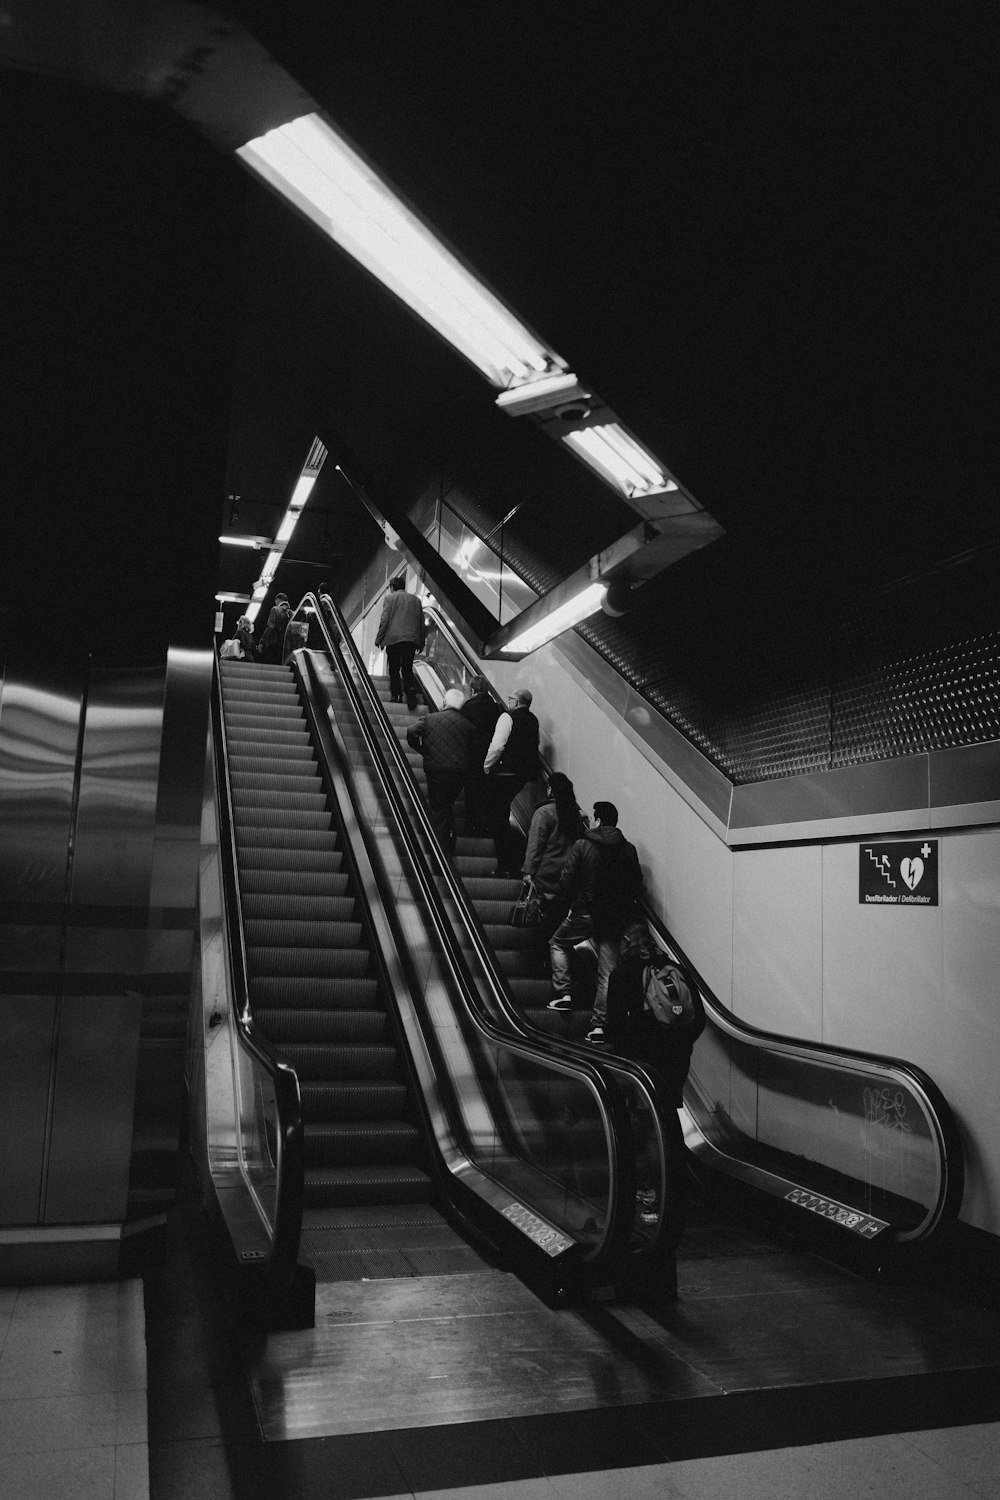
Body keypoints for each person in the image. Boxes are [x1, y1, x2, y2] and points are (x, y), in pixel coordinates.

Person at [605, 919, 706, 1235]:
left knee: (647, 1129)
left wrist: (631, 1054)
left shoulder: (623, 975)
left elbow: (615, 1028)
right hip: (676, 1063)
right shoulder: (676, 971)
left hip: (643, 1066)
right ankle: (671, 1191)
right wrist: (679, 1044)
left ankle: (650, 1198)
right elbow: (698, 1019)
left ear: (626, 944)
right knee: (667, 1122)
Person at [546, 800, 643, 1043]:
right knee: (607, 972)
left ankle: (564, 993)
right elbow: (636, 883)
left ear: (598, 820)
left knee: (557, 943)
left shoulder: (582, 845)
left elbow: (567, 880)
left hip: (585, 912)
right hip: (614, 917)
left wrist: (565, 904)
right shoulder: (628, 848)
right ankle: (599, 1027)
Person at [406, 688, 478, 854]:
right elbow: (473, 750)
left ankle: (441, 852)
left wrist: (423, 750)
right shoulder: (468, 726)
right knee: (446, 805)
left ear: (444, 702)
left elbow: (411, 731)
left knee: (439, 809)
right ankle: (449, 841)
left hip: (437, 771)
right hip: (459, 774)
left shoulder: (430, 718)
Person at [483, 687, 540, 876]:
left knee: (497, 819)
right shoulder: (533, 720)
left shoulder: (508, 717)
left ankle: (505, 865)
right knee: (502, 813)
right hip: (521, 776)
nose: (508, 702)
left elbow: (497, 746)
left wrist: (487, 766)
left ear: (516, 702)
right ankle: (510, 863)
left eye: (510, 698)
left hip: (503, 773)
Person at [520, 772, 588, 930]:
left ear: (550, 789)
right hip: (567, 878)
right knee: (556, 924)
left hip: (545, 876)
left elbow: (535, 845)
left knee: (539, 922)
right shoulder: (574, 815)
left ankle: (540, 951)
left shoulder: (544, 813)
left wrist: (528, 871)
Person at [460, 674, 501, 837]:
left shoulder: (468, 707)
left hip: (471, 755)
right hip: (489, 757)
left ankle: (470, 825)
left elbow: (463, 731)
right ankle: (483, 825)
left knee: (471, 790)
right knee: (484, 790)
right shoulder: (495, 708)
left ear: (472, 689)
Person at [375, 576, 424, 711]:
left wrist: (379, 639)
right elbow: (421, 622)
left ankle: (396, 695)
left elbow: (385, 620)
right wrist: (421, 642)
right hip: (411, 640)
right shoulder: (416, 600)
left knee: (394, 668)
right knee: (407, 668)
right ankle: (411, 695)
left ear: (392, 587)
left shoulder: (390, 599)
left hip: (394, 640)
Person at [257, 592, 291, 664]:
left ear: (278, 600)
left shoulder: (275, 609)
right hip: (285, 645)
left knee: (271, 663)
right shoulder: (291, 613)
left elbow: (270, 627)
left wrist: (261, 642)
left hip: (273, 643)